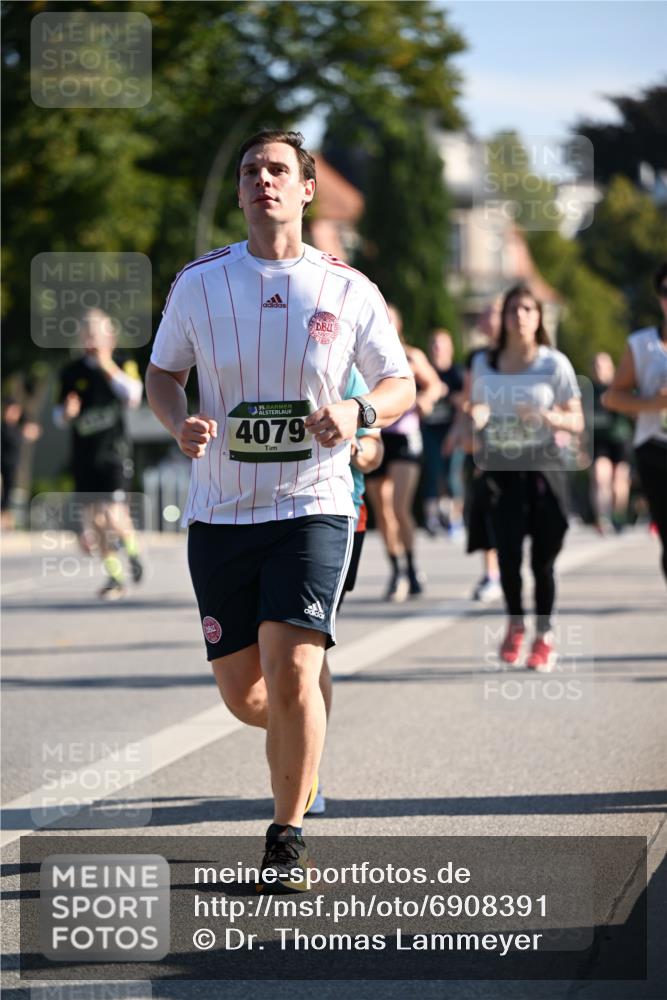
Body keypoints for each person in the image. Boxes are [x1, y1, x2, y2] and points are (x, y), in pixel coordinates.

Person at [145, 129, 414, 889]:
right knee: (248, 696)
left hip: (313, 504)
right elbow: (163, 374)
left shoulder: (347, 287)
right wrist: (178, 421)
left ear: (306, 188)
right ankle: (307, 736)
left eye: (278, 169)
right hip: (221, 510)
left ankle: (286, 833)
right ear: (239, 193)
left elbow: (400, 386)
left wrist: (359, 412)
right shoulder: (199, 283)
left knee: (293, 672)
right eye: (250, 170)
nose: (263, 179)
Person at [470, 284, 584, 670]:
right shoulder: (486, 362)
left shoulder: (554, 364)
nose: (520, 316)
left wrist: (548, 417)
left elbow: (577, 419)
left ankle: (545, 634)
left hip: (544, 468)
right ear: (502, 318)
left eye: (528, 310)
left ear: (539, 318)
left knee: (542, 561)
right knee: (507, 554)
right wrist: (477, 416)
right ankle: (516, 622)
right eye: (513, 310)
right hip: (501, 468)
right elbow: (478, 403)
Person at [311, 364, 384, 815]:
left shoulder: (342, 366)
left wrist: (358, 448)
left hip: (334, 516)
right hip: (250, 518)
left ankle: (306, 768)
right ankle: (298, 739)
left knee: (306, 646)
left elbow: (375, 447)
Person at [54, 308, 144, 599]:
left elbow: (133, 395)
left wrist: (106, 365)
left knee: (113, 513)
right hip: (84, 459)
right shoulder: (71, 372)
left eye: (96, 333)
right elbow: (58, 416)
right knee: (95, 522)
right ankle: (115, 576)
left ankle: (133, 552)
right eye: (86, 334)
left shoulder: (123, 362)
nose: (90, 340)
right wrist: (67, 413)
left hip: (115, 454)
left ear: (110, 337)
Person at [365, 305, 441, 601]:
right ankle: (396, 568)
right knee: (382, 510)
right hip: (375, 437)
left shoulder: (411, 356)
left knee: (399, 506)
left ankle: (411, 566)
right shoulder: (363, 355)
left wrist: (426, 397)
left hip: (405, 436)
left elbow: (435, 384)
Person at [602, 262, 667, 584]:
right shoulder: (642, 344)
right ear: (660, 298)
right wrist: (653, 403)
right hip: (655, 448)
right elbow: (612, 397)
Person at [444, 298, 502, 602]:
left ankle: (521, 564)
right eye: (487, 314)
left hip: (520, 440)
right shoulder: (476, 357)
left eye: (494, 312)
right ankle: (492, 573)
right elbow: (468, 399)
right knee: (486, 505)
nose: (488, 318)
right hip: (486, 441)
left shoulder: (523, 356)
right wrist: (461, 428)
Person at [421, 329, 464, 537]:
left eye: (442, 344)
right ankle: (432, 518)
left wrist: (447, 393)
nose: (438, 348)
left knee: (452, 475)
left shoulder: (457, 373)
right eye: (434, 344)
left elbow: (466, 402)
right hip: (429, 431)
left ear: (450, 348)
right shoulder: (424, 372)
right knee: (432, 472)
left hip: (452, 431)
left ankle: (455, 518)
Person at [588, 352, 632, 534]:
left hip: (620, 439)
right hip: (599, 441)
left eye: (603, 366)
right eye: (596, 366)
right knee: (600, 476)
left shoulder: (620, 387)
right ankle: (602, 519)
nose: (600, 370)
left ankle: (618, 516)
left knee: (619, 481)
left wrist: (616, 403)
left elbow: (634, 410)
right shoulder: (588, 390)